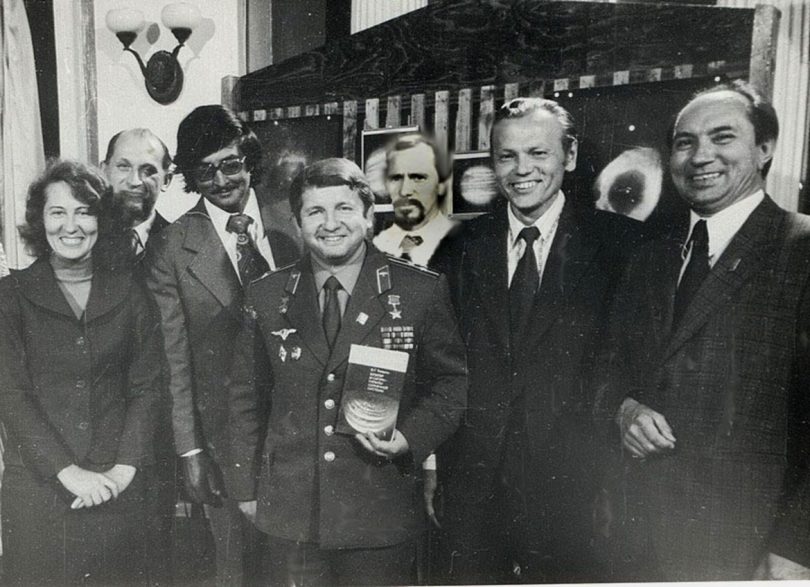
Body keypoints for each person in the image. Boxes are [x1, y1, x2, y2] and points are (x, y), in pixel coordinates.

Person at [597, 80, 810, 581]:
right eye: (685, 142)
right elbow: (607, 369)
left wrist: (796, 545)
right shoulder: (649, 257)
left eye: (722, 137)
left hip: (750, 545)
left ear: (764, 148)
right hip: (634, 537)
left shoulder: (801, 249)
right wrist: (624, 409)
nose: (700, 156)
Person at [225, 158, 467, 586]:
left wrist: (409, 438)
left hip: (379, 511)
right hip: (291, 515)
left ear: (369, 216)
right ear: (297, 222)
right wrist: (245, 489)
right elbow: (245, 396)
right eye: (315, 211)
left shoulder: (418, 291)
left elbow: (451, 384)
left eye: (344, 209)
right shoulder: (265, 295)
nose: (330, 223)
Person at [431, 97, 643, 584]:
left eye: (538, 153)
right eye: (507, 156)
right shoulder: (459, 247)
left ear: (570, 155)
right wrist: (431, 467)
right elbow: (438, 364)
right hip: (474, 487)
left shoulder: (622, 245)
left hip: (581, 492)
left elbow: (633, 367)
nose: (521, 169)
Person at [145, 105, 299, 585]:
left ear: (249, 158)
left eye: (230, 164)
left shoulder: (296, 217)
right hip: (224, 441)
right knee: (239, 568)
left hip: (303, 426)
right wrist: (190, 452)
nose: (220, 181)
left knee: (306, 565)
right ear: (190, 177)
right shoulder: (171, 248)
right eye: (204, 171)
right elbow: (174, 360)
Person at [0, 159, 164, 585]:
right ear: (39, 220)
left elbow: (147, 389)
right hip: (38, 496)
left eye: (84, 212)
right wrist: (69, 475)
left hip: (118, 493)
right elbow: (10, 396)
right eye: (58, 212)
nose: (70, 226)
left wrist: (122, 472)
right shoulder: (9, 297)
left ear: (101, 220)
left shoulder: (132, 293)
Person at [373, 134, 459, 266]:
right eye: (396, 178)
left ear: (441, 185)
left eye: (418, 178)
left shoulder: (460, 246)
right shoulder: (377, 246)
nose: (404, 191)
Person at [101, 128, 173, 255]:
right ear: (104, 171)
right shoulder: (84, 237)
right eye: (124, 167)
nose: (134, 181)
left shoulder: (179, 243)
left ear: (166, 180)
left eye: (148, 171)